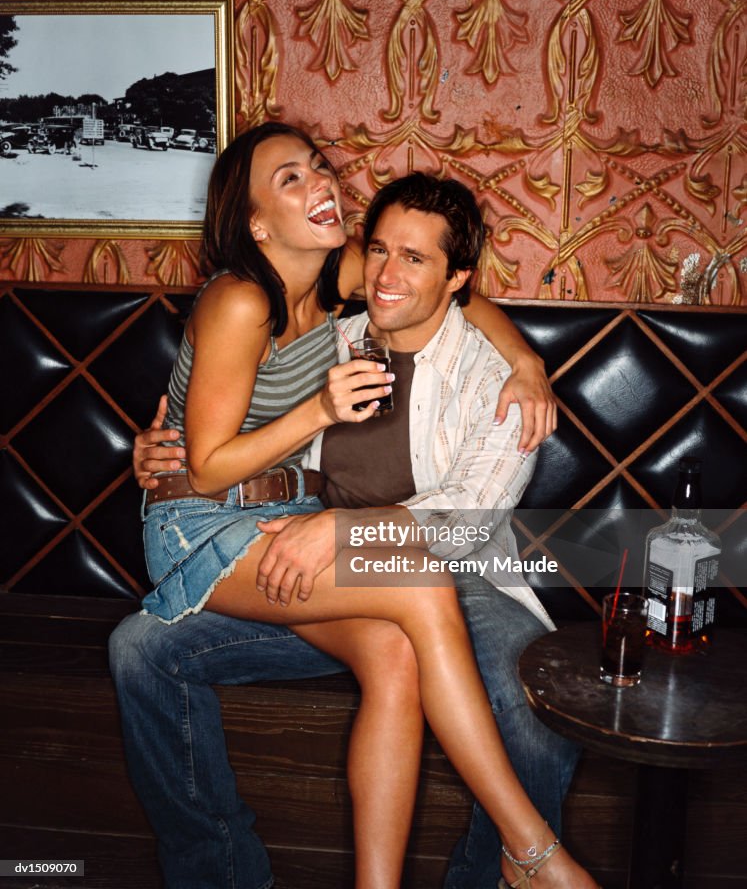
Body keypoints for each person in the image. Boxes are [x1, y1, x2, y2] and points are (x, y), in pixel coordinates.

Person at [110, 127, 593, 888]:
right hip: (217, 520)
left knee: (402, 651)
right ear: (256, 223)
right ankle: (532, 852)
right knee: (138, 645)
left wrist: (529, 363)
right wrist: (317, 413)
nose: (322, 184)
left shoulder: (345, 288)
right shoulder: (260, 299)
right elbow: (204, 464)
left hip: (354, 535)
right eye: (291, 178)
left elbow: (449, 299)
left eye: (320, 168)